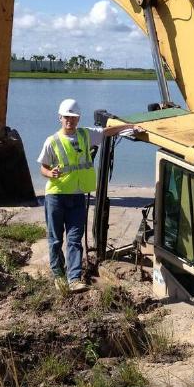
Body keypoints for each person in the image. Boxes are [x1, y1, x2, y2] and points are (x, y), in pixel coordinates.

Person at [38, 98, 143, 293]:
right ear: (60, 118)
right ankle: (58, 275)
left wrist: (130, 126)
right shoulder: (52, 141)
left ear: (78, 119)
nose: (70, 120)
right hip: (56, 196)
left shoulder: (86, 135)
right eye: (67, 117)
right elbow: (43, 168)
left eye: (74, 117)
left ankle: (74, 278)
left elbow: (108, 131)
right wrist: (49, 173)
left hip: (78, 196)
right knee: (55, 239)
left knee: (75, 239)